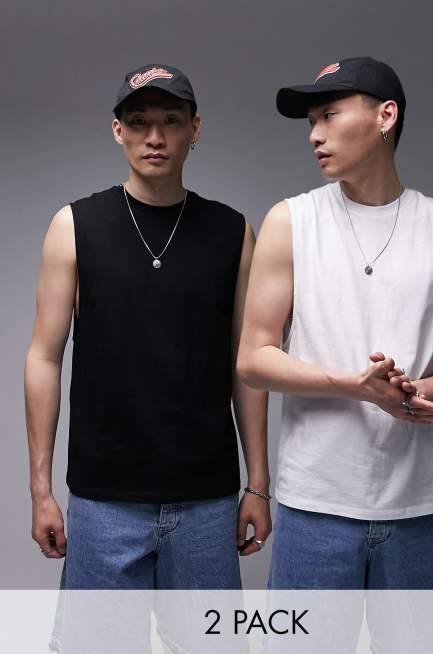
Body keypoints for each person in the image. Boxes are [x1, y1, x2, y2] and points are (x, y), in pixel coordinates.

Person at [237, 56, 433, 591]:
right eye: (311, 122)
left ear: (386, 116)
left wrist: (411, 393)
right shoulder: (292, 221)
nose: (314, 135)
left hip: (421, 507)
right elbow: (253, 359)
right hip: (315, 503)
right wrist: (355, 385)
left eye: (329, 116)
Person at [24, 63, 272, 595]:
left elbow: (247, 365)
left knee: (209, 637)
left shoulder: (233, 232)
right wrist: (40, 490)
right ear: (118, 130)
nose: (154, 137)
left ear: (194, 128)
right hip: (104, 499)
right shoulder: (75, 226)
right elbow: (44, 357)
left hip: (207, 498)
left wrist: (258, 483)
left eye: (171, 121)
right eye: (138, 122)